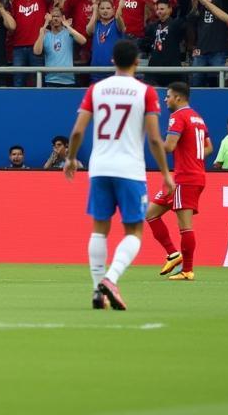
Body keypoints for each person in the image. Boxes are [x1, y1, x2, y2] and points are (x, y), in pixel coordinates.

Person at [64, 39, 175, 311]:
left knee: (99, 229)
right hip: (129, 170)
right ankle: (111, 280)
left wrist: (70, 158)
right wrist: (165, 173)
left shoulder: (96, 89)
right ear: (138, 61)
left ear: (112, 60)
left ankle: (96, 289)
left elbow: (78, 131)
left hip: (99, 168)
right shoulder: (145, 92)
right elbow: (153, 138)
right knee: (134, 231)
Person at [144, 82, 212, 282]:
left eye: (168, 96)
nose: (165, 99)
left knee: (185, 226)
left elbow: (169, 147)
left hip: (186, 179)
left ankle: (188, 270)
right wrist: (193, 156)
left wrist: (155, 141)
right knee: (150, 214)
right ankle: (174, 254)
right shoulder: (197, 117)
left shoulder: (178, 117)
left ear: (178, 98)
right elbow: (208, 148)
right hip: (190, 176)